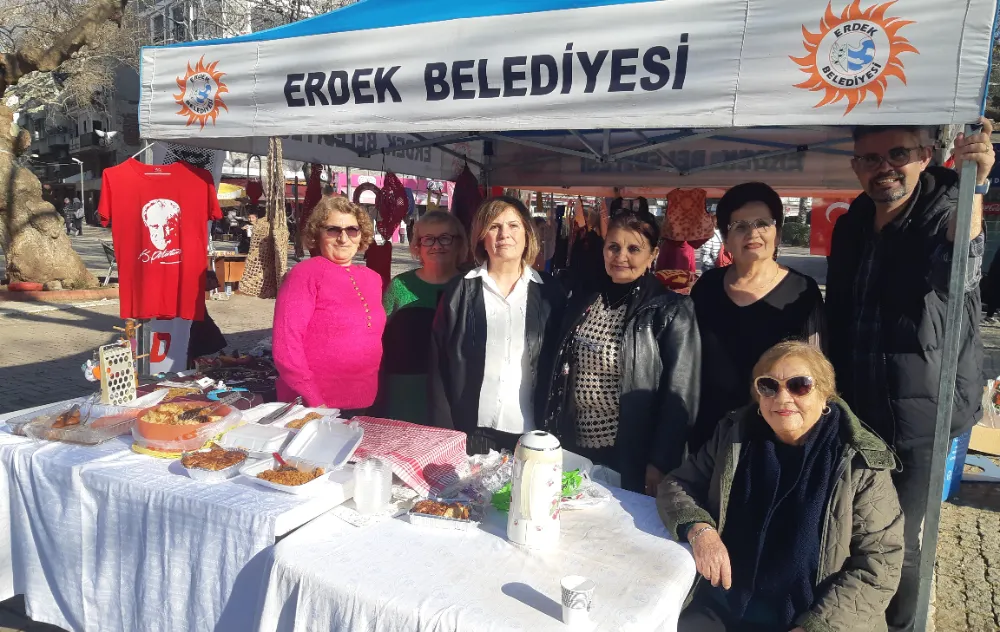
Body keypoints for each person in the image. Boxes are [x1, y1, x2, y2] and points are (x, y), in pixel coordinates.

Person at [825, 120, 992, 632]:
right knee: (851, 530)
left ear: (924, 155)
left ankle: (902, 626)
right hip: (857, 411)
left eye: (897, 154)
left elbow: (960, 275)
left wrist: (976, 185)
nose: (885, 168)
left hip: (922, 415)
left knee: (901, 541)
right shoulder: (852, 222)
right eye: (870, 159)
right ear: (855, 166)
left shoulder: (947, 208)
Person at [659, 341, 903, 632]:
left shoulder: (860, 462)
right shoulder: (734, 436)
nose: (782, 397)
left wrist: (816, 626)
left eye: (800, 385)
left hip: (809, 618)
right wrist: (701, 531)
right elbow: (677, 483)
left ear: (825, 394)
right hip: (722, 604)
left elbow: (880, 563)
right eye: (769, 386)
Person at [541, 209, 700, 494]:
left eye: (633, 249)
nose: (620, 256)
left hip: (629, 453)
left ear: (653, 254)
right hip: (573, 444)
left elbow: (680, 394)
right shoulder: (583, 297)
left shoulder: (670, 310)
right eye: (613, 247)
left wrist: (660, 462)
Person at [689, 182, 824, 454]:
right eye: (739, 226)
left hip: (775, 433)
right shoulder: (707, 287)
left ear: (778, 232)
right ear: (725, 238)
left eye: (763, 223)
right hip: (710, 432)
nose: (752, 233)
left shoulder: (802, 291)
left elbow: (816, 369)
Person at [429, 196, 565, 454]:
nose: (504, 234)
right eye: (494, 226)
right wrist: (444, 434)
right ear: (482, 237)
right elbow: (439, 366)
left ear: (527, 234)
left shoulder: (550, 292)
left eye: (513, 226)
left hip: (532, 431)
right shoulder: (459, 291)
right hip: (473, 430)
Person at [272, 196, 385, 414]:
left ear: (361, 235)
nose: (343, 238)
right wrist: (314, 400)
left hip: (364, 398)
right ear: (318, 234)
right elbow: (286, 345)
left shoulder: (373, 278)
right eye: (333, 230)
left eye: (352, 230)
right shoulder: (304, 274)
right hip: (315, 404)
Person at [378, 211, 468, 424]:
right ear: (418, 246)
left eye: (445, 238)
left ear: (459, 244)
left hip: (455, 391)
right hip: (405, 392)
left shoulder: (470, 285)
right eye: (428, 239)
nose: (437, 246)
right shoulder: (400, 286)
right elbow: (377, 337)